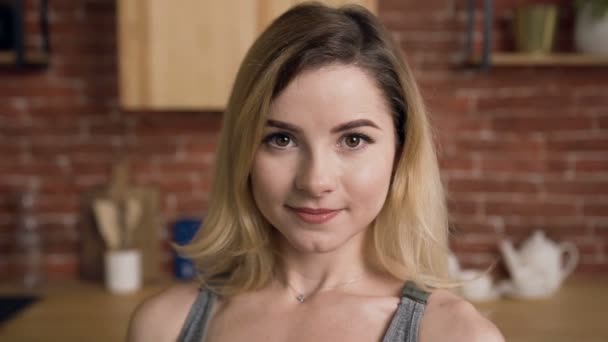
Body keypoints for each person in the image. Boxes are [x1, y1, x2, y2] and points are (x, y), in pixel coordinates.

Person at [127, 2, 504, 342]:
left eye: (353, 140)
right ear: (244, 151)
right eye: (281, 139)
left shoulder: (455, 335)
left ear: (400, 153)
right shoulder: (164, 325)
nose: (315, 181)